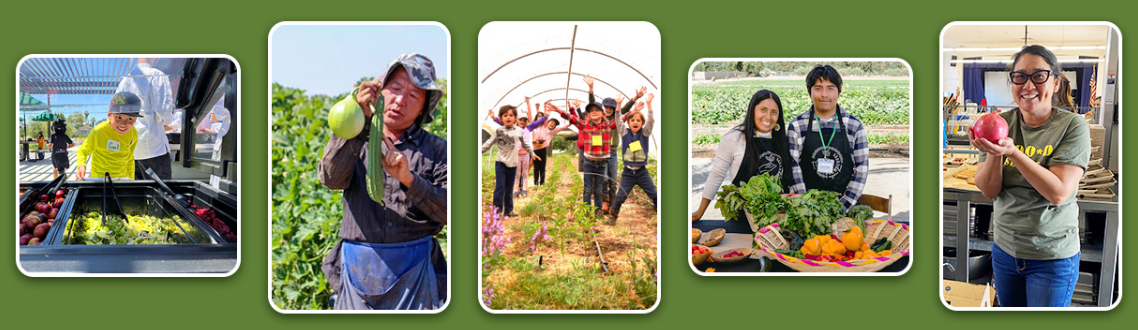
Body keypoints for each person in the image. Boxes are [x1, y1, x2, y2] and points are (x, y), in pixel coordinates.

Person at [317, 53, 448, 310]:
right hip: (358, 267)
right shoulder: (354, 138)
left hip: (416, 269)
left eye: (413, 95)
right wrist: (355, 127)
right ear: (380, 92)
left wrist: (409, 179)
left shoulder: (438, 149)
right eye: (396, 89)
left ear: (424, 107)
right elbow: (331, 179)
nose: (400, 100)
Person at [971, 45, 1089, 307]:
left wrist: (1011, 151)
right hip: (1005, 251)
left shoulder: (1072, 126)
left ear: (1056, 82)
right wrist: (994, 152)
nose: (1028, 85)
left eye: (1039, 76)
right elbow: (989, 190)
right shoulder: (999, 122)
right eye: (1020, 76)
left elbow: (1058, 193)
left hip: (1051, 256)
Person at [691, 90, 794, 228]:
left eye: (774, 112)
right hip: (742, 218)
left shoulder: (782, 140)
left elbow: (788, 179)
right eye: (763, 110)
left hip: (775, 219)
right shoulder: (734, 138)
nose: (768, 116)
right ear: (752, 111)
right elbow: (717, 175)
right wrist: (700, 212)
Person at [787, 65, 868, 211]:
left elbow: (861, 169)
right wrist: (807, 206)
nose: (824, 94)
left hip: (845, 209)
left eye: (830, 88)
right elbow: (793, 168)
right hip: (807, 210)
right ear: (810, 92)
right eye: (818, 88)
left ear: (838, 92)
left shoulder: (854, 126)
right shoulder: (797, 126)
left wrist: (841, 207)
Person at [548, 101, 615, 216]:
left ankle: (598, 212)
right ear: (588, 114)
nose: (593, 112)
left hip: (602, 162)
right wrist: (559, 110)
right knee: (588, 189)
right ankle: (586, 212)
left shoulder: (608, 125)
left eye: (596, 110)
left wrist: (633, 107)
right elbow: (572, 118)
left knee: (598, 190)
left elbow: (621, 119)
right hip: (589, 162)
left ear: (603, 114)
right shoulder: (585, 124)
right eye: (591, 111)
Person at [116, 58, 175, 180]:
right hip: (154, 148)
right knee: (160, 193)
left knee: (140, 191)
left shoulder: (124, 81)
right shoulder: (157, 75)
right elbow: (164, 111)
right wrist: (169, 119)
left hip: (132, 149)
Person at [481, 105, 539, 217]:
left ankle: (508, 210)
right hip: (501, 163)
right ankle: (497, 212)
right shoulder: (498, 131)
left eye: (511, 115)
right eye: (505, 115)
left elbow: (526, 144)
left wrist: (532, 153)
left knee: (509, 188)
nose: (508, 117)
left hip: (513, 164)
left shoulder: (518, 131)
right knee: (500, 187)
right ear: (501, 118)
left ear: (515, 118)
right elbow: (488, 144)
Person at [609, 94, 658, 221]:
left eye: (638, 120)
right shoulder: (624, 133)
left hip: (642, 172)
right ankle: (612, 217)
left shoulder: (645, 133)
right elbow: (618, 121)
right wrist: (618, 105)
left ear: (642, 123)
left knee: (654, 194)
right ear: (629, 123)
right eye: (632, 120)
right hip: (628, 173)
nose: (635, 122)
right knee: (620, 196)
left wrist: (649, 104)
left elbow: (651, 120)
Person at [76, 92, 142, 181]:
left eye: (130, 119)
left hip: (121, 179)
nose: (123, 124)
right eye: (118, 117)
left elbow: (130, 158)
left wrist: (131, 179)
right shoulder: (98, 131)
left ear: (136, 120)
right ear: (109, 114)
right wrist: (81, 166)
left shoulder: (133, 133)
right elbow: (82, 151)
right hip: (99, 179)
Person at [531, 114, 571, 186]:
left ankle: (542, 183)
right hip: (535, 149)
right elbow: (539, 119)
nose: (552, 124)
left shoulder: (553, 131)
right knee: (536, 167)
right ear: (547, 122)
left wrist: (570, 123)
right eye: (551, 122)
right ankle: (535, 183)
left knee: (542, 167)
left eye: (554, 124)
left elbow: (562, 127)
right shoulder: (542, 127)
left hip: (543, 149)